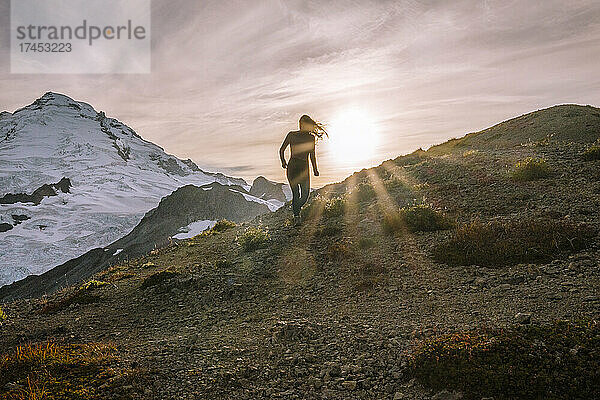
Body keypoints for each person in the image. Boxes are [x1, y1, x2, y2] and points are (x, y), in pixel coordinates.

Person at [279, 115, 327, 224]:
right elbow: (281, 150)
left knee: (305, 194)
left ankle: (296, 209)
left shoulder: (311, 137)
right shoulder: (291, 135)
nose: (302, 126)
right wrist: (283, 162)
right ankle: (297, 217)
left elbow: (312, 155)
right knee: (296, 193)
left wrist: (315, 169)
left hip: (304, 168)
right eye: (302, 124)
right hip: (292, 167)